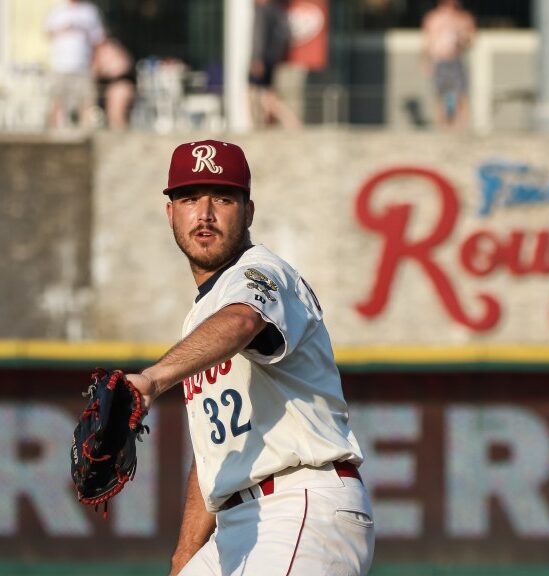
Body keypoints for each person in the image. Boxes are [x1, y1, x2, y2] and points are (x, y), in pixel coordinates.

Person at [127, 140, 374, 575]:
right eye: (189, 199)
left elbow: (243, 321)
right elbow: (216, 453)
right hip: (236, 521)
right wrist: (185, 556)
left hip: (300, 502)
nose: (204, 214)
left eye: (222, 198)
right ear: (171, 214)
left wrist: (151, 380)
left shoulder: (260, 272)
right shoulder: (201, 315)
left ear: (248, 212)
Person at [44, 0, 105, 129]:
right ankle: (56, 136)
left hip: (83, 65)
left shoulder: (89, 11)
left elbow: (98, 40)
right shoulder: (57, 10)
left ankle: (85, 136)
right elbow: (47, 33)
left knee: (86, 102)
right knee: (58, 101)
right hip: (60, 66)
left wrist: (97, 63)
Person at [421, 0, 476, 128]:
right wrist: (426, 62)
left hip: (456, 59)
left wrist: (463, 40)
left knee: (460, 94)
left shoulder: (462, 18)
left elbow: (472, 39)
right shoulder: (433, 18)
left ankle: (460, 126)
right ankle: (442, 126)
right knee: (440, 94)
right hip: (439, 60)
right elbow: (427, 42)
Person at [249, 0, 302, 130]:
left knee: (253, 94)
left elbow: (259, 37)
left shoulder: (263, 10)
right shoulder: (277, 10)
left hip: (261, 60)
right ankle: (285, 123)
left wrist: (257, 58)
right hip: (272, 59)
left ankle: (290, 122)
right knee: (268, 95)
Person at [92, 35, 136, 130]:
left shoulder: (111, 49)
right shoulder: (99, 50)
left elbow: (122, 67)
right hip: (106, 86)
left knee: (117, 116)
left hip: (120, 84)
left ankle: (121, 138)